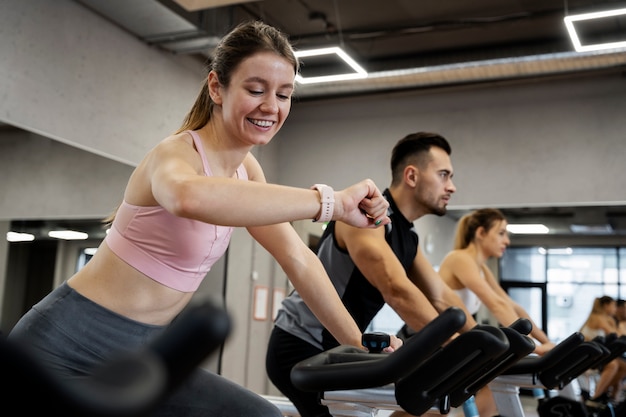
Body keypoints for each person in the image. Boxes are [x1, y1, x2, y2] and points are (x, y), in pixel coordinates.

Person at [7, 20, 401, 417]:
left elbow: (299, 260)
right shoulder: (175, 154)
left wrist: (362, 346)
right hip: (62, 344)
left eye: (284, 94)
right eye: (255, 89)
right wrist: (329, 204)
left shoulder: (247, 171)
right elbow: (187, 196)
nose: (271, 106)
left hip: (144, 350)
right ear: (217, 86)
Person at [266, 131, 480, 417]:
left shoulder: (408, 237)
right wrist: (456, 348)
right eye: (444, 175)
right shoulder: (364, 216)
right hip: (303, 344)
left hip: (344, 349)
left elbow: (441, 297)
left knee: (426, 411)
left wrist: (482, 342)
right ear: (412, 176)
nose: (451, 186)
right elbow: (395, 288)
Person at [437, 208, 556, 416]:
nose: (507, 241)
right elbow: (495, 305)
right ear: (481, 233)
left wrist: (547, 343)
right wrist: (535, 348)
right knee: (429, 408)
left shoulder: (482, 268)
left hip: (451, 341)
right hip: (428, 338)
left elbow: (511, 305)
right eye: (501, 233)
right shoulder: (459, 258)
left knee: (494, 377)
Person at [579, 296, 626, 408]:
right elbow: (617, 335)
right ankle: (595, 397)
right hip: (588, 356)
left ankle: (605, 393)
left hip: (597, 354)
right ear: (606, 305)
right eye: (613, 305)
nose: (615, 309)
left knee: (623, 366)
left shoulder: (604, 318)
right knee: (614, 364)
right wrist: (616, 323)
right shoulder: (599, 318)